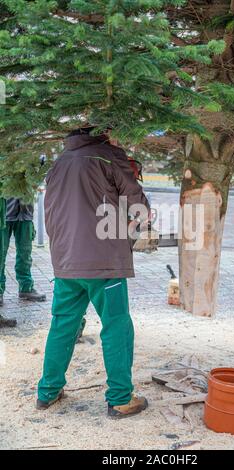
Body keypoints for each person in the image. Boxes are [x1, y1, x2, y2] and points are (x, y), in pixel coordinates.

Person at [37, 127, 151, 419]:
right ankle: (120, 399)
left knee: (62, 325)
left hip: (65, 262)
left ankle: (47, 392)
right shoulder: (110, 156)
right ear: (105, 133)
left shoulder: (59, 162)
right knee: (116, 326)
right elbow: (139, 208)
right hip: (103, 262)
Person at [0, 198, 46, 328]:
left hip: (25, 213)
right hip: (5, 213)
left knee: (25, 253)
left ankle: (26, 287)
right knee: (1, 254)